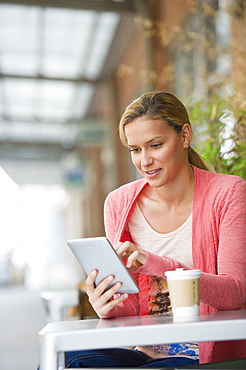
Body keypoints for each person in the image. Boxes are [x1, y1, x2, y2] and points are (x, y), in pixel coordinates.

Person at [65, 91, 246, 368]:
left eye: (155, 145)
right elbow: (130, 309)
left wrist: (155, 263)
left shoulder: (228, 193)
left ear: (185, 136)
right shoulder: (119, 203)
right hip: (146, 353)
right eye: (135, 150)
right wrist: (106, 304)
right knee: (68, 360)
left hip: (202, 357)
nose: (144, 161)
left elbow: (235, 294)